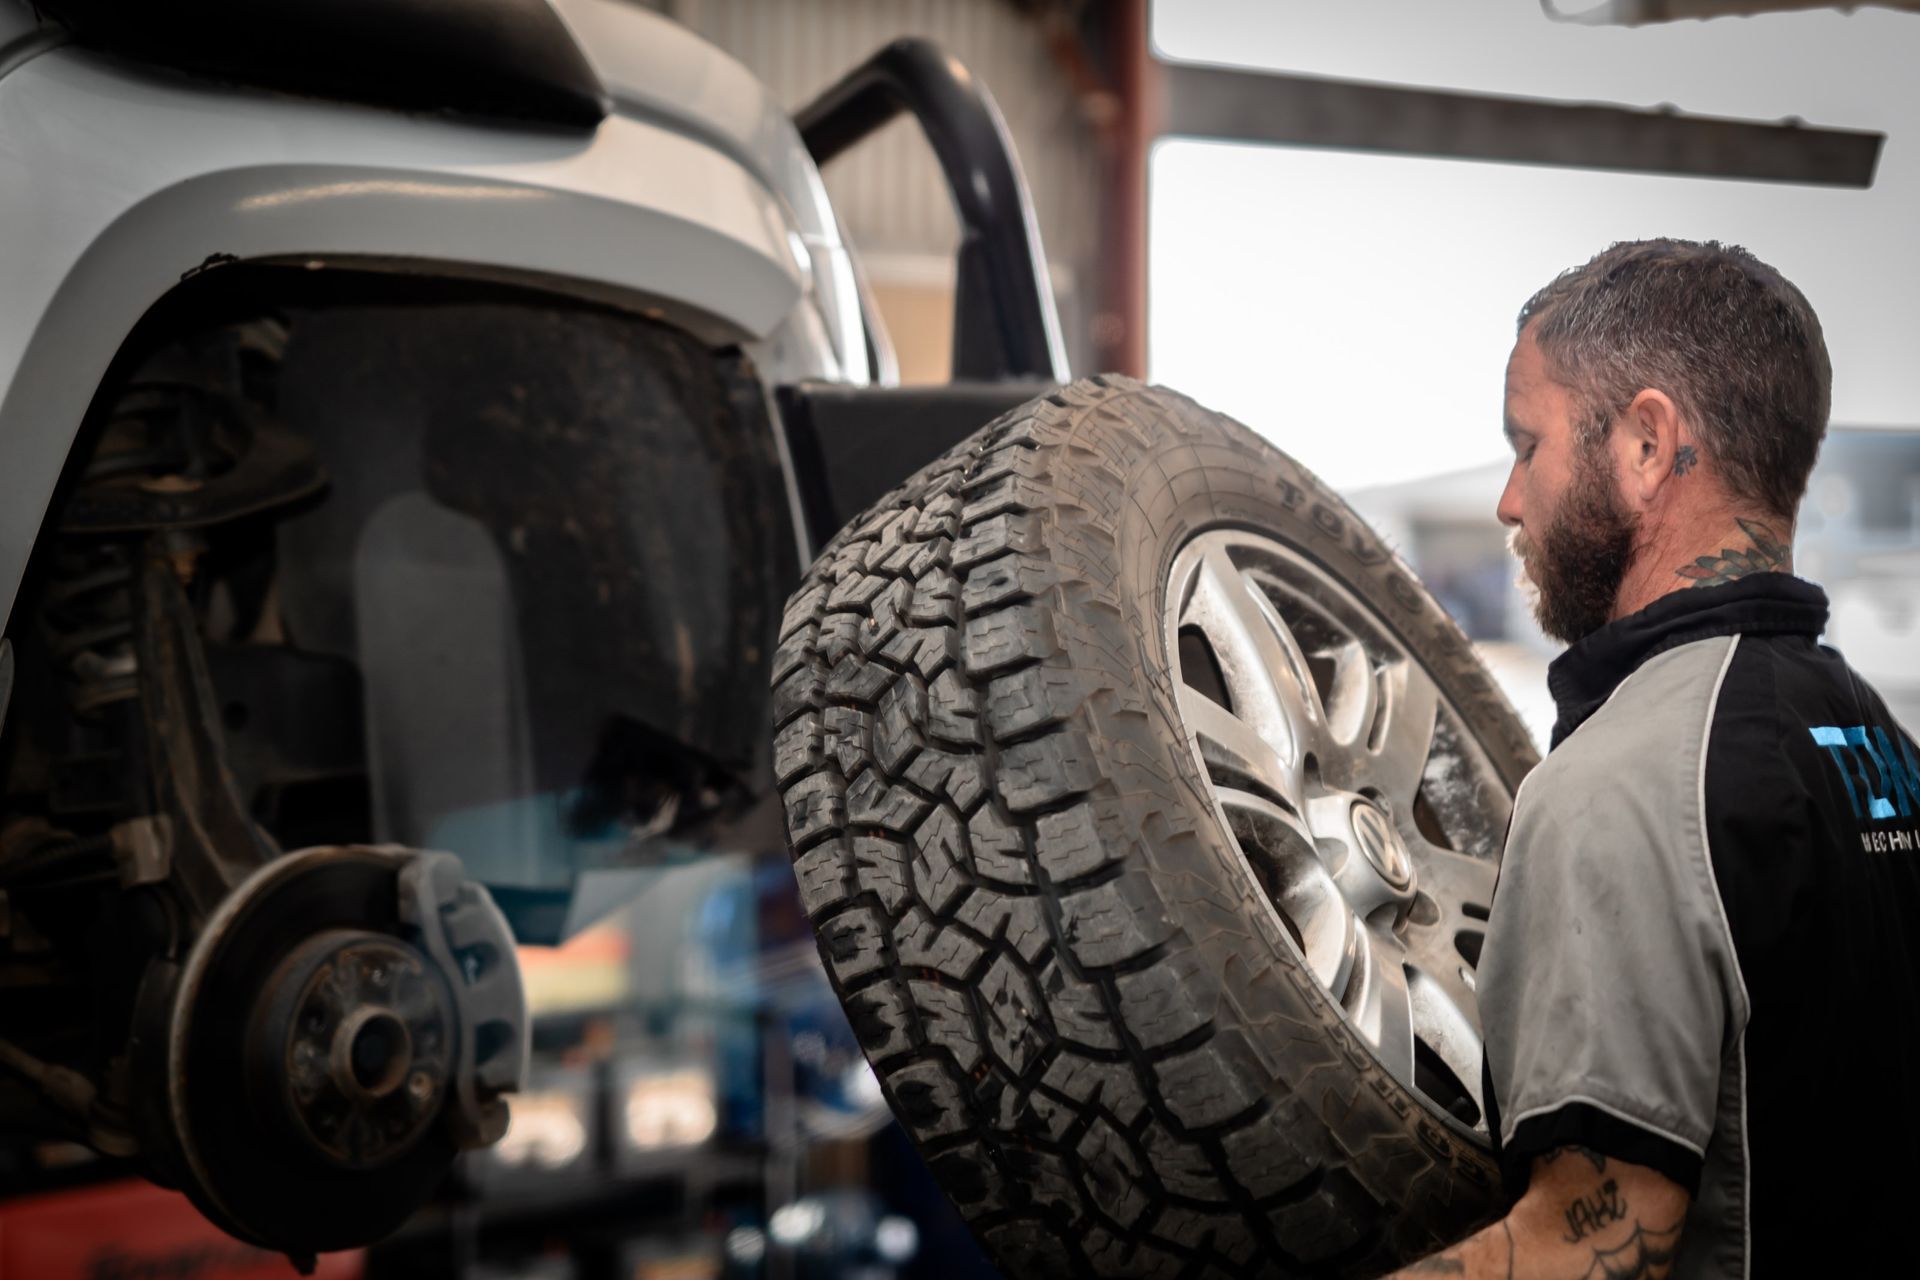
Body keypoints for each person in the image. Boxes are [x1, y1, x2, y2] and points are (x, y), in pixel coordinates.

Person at [1390, 239, 1920, 1278]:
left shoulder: (1623, 782)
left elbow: (1596, 1240)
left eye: (1526, 443)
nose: (1508, 498)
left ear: (1644, 444)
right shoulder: (1872, 734)